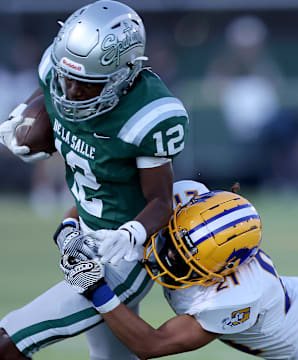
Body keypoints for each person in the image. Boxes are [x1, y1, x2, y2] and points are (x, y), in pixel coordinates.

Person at [0, 1, 189, 359]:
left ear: (125, 73)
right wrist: (22, 117)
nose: (69, 91)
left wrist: (129, 234)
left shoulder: (147, 115)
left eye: (85, 84)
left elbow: (161, 201)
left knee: (10, 340)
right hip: (83, 236)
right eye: (64, 76)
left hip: (125, 255)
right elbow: (48, 96)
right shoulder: (61, 72)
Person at [59, 183, 298, 360]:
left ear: (221, 271)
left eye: (181, 259)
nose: (166, 256)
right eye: (170, 241)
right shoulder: (183, 199)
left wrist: (95, 288)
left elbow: (151, 345)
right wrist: (69, 225)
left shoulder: (236, 298)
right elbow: (106, 195)